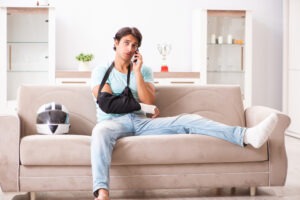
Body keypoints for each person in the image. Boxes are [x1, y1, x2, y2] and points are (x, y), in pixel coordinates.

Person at [90, 27, 278, 200]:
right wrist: (140, 106)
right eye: (126, 43)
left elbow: (148, 101)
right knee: (100, 132)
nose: (130, 48)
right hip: (113, 123)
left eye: (135, 45)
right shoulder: (102, 71)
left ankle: (246, 135)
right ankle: (102, 192)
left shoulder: (144, 70)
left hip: (141, 123)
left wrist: (138, 73)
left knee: (189, 120)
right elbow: (108, 104)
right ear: (115, 42)